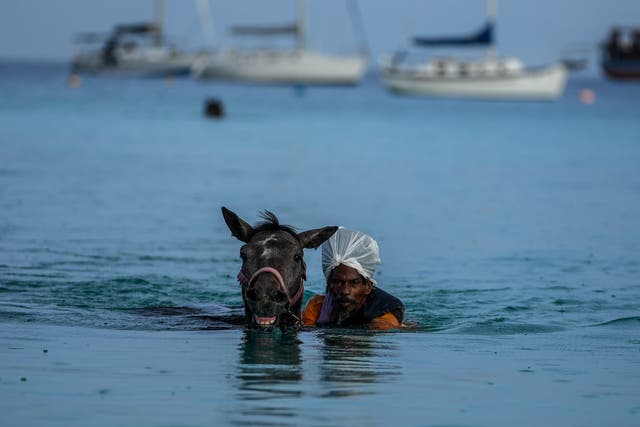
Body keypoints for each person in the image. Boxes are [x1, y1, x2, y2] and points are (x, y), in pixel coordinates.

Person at [302, 228, 404, 330]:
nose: (345, 291)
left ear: (368, 287)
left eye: (354, 283)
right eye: (338, 282)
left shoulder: (384, 315)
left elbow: (387, 327)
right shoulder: (317, 307)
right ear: (329, 284)